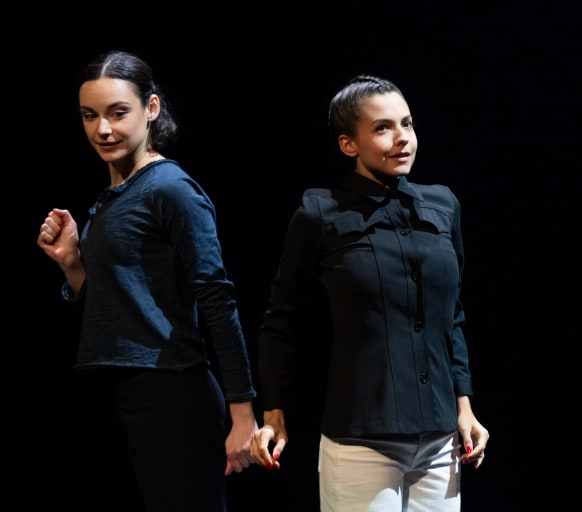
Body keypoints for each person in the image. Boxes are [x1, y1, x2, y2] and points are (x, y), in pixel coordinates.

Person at [251, 74, 490, 511]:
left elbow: (450, 316)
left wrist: (464, 406)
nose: (403, 139)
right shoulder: (321, 212)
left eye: (407, 124)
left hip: (441, 442)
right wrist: (273, 413)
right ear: (349, 145)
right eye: (383, 128)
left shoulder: (442, 205)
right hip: (362, 438)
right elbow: (281, 319)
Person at [37, 50, 258, 512]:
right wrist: (73, 266)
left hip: (173, 391)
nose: (102, 129)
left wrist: (243, 415)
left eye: (118, 113)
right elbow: (122, 307)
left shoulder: (171, 189)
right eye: (89, 116)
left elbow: (217, 298)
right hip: (130, 390)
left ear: (151, 109)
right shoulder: (118, 193)